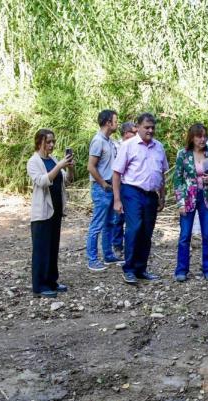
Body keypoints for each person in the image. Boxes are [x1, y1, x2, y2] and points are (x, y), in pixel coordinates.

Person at [112, 113, 168, 285]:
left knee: (146, 231)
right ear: (138, 127)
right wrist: (117, 199)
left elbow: (162, 173)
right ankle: (128, 269)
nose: (150, 130)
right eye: (146, 127)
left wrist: (162, 196)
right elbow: (117, 173)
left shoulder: (159, 147)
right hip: (132, 191)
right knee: (134, 228)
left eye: (152, 127)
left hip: (151, 194)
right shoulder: (128, 145)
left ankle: (141, 268)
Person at [26, 128, 73, 297]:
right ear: (40, 142)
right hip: (42, 211)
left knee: (53, 246)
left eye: (53, 141)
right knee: (41, 248)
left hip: (56, 209)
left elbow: (66, 181)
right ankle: (39, 286)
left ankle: (52, 281)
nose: (52, 145)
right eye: (49, 142)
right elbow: (42, 181)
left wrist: (69, 168)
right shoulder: (34, 161)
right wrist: (60, 165)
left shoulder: (52, 159)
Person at [172, 124, 208, 281]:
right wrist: (180, 202)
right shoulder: (183, 154)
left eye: (205, 136)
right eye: (199, 136)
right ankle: (181, 270)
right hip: (188, 197)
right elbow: (177, 179)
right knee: (185, 235)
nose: (202, 139)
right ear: (192, 138)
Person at [85, 109, 120, 271]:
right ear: (108, 123)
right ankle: (92, 259)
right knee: (97, 224)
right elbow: (91, 166)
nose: (117, 123)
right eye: (115, 120)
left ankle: (108, 254)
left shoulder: (109, 141)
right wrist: (103, 184)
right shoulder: (98, 141)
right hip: (102, 188)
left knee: (109, 223)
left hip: (110, 187)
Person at [111, 120, 137, 254]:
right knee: (118, 216)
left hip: (131, 186)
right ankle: (117, 245)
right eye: (134, 132)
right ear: (126, 133)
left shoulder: (137, 145)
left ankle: (130, 245)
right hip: (119, 185)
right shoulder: (116, 146)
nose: (136, 134)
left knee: (131, 217)